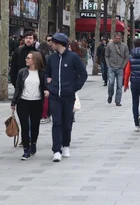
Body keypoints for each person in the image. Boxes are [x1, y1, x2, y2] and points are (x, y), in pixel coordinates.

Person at [45, 33, 88, 162]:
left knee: (67, 122)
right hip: (54, 95)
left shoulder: (73, 57)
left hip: (68, 96)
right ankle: (56, 150)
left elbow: (83, 74)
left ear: (58, 43)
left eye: (52, 42)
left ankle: (66, 145)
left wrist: (75, 87)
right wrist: (48, 84)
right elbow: (46, 72)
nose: (51, 44)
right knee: (56, 122)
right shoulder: (51, 58)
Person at [12, 51, 47, 160]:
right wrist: (13, 102)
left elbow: (45, 86)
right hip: (23, 102)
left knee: (35, 126)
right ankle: (26, 149)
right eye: (26, 58)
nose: (26, 59)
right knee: (25, 126)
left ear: (35, 60)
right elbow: (18, 88)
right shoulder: (22, 72)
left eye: (29, 58)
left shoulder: (42, 73)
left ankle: (34, 143)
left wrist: (47, 91)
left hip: (36, 102)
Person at [123, 38, 140, 132]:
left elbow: (127, 72)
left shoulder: (131, 57)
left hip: (134, 83)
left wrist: (125, 84)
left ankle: (136, 125)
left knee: (135, 103)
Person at [104, 33, 129, 106]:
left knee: (119, 85)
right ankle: (110, 95)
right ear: (114, 38)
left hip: (120, 67)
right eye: (116, 38)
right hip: (111, 67)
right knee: (111, 82)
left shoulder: (124, 46)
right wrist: (108, 65)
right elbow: (106, 56)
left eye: (119, 38)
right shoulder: (109, 45)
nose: (118, 40)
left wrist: (123, 66)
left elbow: (126, 57)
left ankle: (118, 100)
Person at [37, 41, 53, 124]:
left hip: (39, 77)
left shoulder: (37, 56)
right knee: (46, 98)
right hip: (46, 78)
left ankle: (42, 115)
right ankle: (45, 115)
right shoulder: (49, 56)